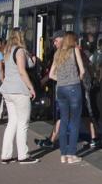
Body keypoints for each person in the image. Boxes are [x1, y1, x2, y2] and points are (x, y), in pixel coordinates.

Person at [0, 28, 39, 164]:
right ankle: (23, 155)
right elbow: (22, 71)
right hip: (19, 91)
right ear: (21, 37)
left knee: (12, 122)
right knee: (23, 123)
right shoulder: (20, 51)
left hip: (8, 90)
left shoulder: (7, 51)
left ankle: (6, 155)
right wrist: (31, 87)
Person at [49, 31, 85, 164]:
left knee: (64, 120)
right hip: (73, 88)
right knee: (75, 122)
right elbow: (82, 71)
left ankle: (63, 155)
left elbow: (51, 74)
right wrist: (76, 80)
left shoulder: (57, 53)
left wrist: (62, 80)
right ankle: (71, 155)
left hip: (61, 89)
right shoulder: (74, 50)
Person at [35, 31, 65, 150]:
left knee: (63, 117)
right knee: (62, 117)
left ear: (63, 39)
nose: (54, 43)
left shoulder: (63, 52)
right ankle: (52, 140)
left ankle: (59, 143)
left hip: (65, 90)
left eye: (56, 40)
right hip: (65, 90)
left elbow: (52, 74)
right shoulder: (61, 52)